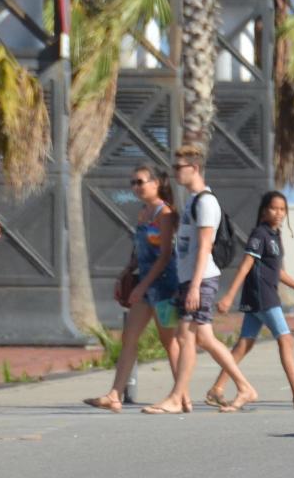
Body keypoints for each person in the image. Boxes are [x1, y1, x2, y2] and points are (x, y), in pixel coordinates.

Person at [143, 146, 256, 414]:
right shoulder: (193, 201)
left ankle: (176, 396)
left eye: (178, 168)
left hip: (201, 279)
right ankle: (244, 387)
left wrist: (194, 287)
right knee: (203, 338)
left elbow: (205, 245)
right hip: (191, 279)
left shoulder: (206, 202)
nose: (174, 173)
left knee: (185, 335)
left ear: (194, 168)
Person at [206, 191, 294, 410]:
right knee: (286, 340)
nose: (278, 213)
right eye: (273, 208)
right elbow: (246, 265)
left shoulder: (274, 236)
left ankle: (216, 389)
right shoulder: (260, 234)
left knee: (244, 344)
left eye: (282, 209)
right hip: (262, 295)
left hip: (265, 294)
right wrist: (229, 295)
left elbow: (277, 271)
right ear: (264, 210)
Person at [84, 165, 182, 413]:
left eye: (140, 182)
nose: (136, 187)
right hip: (145, 283)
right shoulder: (143, 213)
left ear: (156, 183)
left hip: (165, 285)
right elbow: (141, 251)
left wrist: (144, 284)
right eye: (133, 183)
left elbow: (165, 255)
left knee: (168, 340)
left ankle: (181, 394)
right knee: (129, 338)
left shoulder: (165, 213)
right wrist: (126, 272)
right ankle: (114, 394)